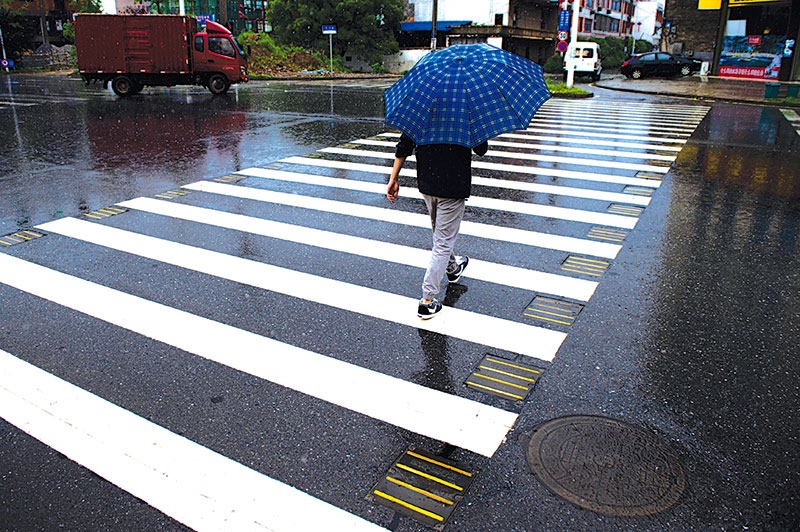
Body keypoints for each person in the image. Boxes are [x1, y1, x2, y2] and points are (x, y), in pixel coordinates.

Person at [386, 133, 488, 319]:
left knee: (441, 236)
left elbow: (404, 145)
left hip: (427, 183)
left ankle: (452, 268)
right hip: (453, 185)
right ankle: (427, 300)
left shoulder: (422, 109)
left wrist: (394, 178)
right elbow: (481, 149)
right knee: (442, 242)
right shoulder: (465, 112)